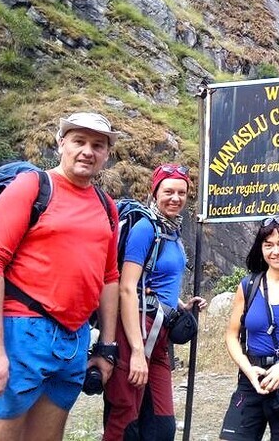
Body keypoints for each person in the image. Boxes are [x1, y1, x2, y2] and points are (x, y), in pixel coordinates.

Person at [0, 111, 121, 441]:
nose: (87, 151)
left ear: (106, 154)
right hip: (20, 332)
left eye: (97, 145)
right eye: (79, 141)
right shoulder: (32, 186)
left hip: (75, 338)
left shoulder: (106, 205)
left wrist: (107, 347)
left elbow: (109, 276)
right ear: (61, 144)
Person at [103, 163, 207, 440]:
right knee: (125, 420)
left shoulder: (171, 231)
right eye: (168, 191)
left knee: (162, 426)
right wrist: (137, 351)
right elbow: (127, 288)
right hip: (135, 332)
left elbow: (156, 281)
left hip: (160, 335)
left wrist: (181, 304)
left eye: (182, 192)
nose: (176, 198)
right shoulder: (145, 229)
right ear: (155, 192)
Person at [220, 216, 279, 441]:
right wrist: (248, 370)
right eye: (269, 245)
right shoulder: (248, 285)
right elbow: (232, 335)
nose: (276, 251)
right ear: (261, 248)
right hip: (252, 378)